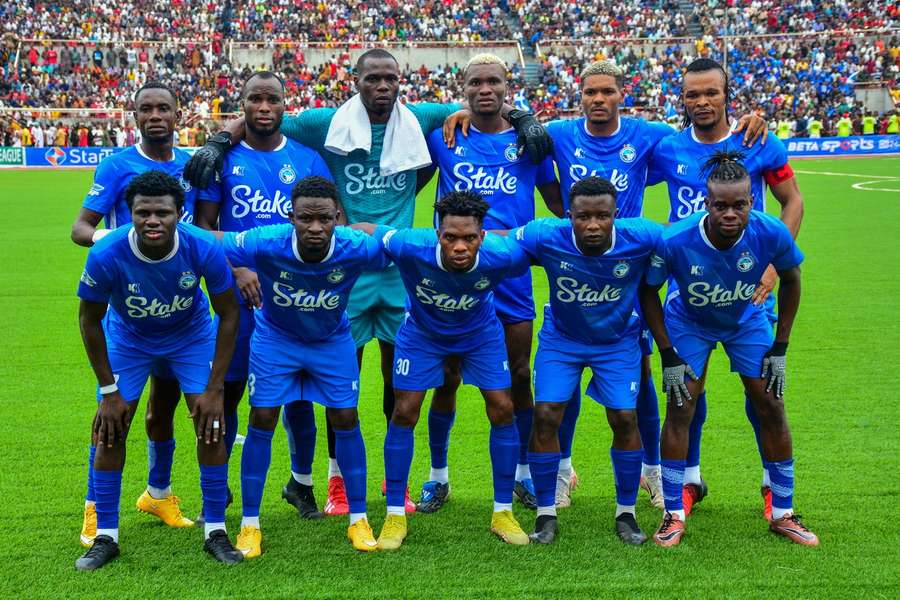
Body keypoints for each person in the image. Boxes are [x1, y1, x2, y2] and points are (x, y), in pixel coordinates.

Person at [185, 48, 552, 516]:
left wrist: (522, 117)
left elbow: (483, 103)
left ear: (401, 82)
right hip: (346, 268)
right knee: (344, 381)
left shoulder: (421, 117)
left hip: (399, 269)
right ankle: (338, 483)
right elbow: (266, 119)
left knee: (401, 386)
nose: (381, 87)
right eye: (371, 79)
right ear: (354, 81)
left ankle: (395, 485)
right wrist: (218, 139)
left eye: (389, 79)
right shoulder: (323, 123)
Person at [543, 59, 767, 509]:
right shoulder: (559, 134)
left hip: (633, 269)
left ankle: (652, 472)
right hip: (578, 265)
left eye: (608, 91)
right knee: (560, 381)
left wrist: (749, 122)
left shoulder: (651, 136)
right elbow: (513, 134)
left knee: (643, 372)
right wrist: (461, 113)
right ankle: (563, 471)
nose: (599, 99)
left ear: (622, 93)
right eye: (591, 92)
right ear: (579, 95)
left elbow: (703, 147)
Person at [649, 58, 804, 520]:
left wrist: (774, 266)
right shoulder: (666, 148)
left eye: (710, 93)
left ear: (727, 94)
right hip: (688, 291)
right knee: (687, 397)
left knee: (763, 395)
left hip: (749, 287)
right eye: (692, 95)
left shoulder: (758, 139)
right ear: (682, 100)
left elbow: (792, 200)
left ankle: (772, 488)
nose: (701, 102)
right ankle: (690, 480)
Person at [639, 150, 818, 547]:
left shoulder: (770, 232)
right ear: (706, 203)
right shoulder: (675, 239)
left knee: (771, 403)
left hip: (746, 319)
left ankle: (784, 513)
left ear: (752, 201)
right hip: (689, 323)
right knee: (682, 407)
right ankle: (673, 514)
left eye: (739, 204)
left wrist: (781, 346)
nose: (730, 214)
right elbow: (648, 290)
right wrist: (666, 352)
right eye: (720, 205)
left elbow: (792, 280)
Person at [415, 54, 563, 513]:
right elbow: (407, 188)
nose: (485, 89)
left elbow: (559, 206)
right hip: (453, 278)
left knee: (519, 375)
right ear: (463, 88)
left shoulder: (528, 142)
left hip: (511, 277)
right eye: (475, 82)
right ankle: (439, 477)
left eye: (493, 81)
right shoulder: (446, 137)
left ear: (507, 86)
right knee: (447, 376)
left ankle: (521, 474)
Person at [74, 171, 241, 570]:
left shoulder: (202, 247)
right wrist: (109, 390)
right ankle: (105, 537)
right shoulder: (106, 253)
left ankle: (215, 530)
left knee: (210, 422)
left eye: (162, 212)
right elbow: (89, 320)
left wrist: (216, 388)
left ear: (179, 214)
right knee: (111, 427)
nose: (153, 220)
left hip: (190, 336)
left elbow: (229, 313)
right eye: (143, 212)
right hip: (129, 339)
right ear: (130, 214)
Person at [353, 191, 532, 550]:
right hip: (422, 335)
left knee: (503, 407)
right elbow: (366, 228)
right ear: (437, 233)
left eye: (469, 238)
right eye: (451, 237)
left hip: (479, 334)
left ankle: (502, 512)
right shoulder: (409, 245)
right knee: (404, 411)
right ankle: (394, 516)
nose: (460, 246)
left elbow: (544, 246)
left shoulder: (503, 256)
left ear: (483, 236)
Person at [221, 176, 389, 556]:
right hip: (275, 340)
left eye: (325, 219)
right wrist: (237, 270)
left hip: (331, 342)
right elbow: (211, 242)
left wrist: (377, 228)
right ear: (290, 216)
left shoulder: (355, 245)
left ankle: (358, 519)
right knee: (261, 419)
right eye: (305, 218)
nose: (316, 228)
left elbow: (409, 249)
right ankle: (250, 524)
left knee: (346, 420)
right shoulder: (266, 241)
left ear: (338, 218)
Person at [195, 71, 333, 523]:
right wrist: (236, 268)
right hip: (238, 296)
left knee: (299, 396)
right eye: (255, 99)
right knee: (229, 391)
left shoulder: (307, 158)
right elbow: (203, 230)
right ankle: (220, 486)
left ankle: (302, 484)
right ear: (243, 104)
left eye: (272, 99)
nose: (264, 108)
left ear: (283, 105)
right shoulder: (224, 160)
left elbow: (330, 222)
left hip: (293, 298)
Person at [71, 82, 202, 547]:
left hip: (181, 313)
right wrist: (110, 243)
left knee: (162, 412)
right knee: (114, 414)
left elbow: (203, 230)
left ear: (177, 114)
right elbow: (81, 226)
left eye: (163, 108)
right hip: (129, 314)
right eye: (146, 108)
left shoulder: (193, 166)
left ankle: (159, 493)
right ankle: (95, 509)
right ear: (134, 114)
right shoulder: (117, 165)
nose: (155, 116)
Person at [512, 176, 663, 545]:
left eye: (602, 216)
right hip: (562, 339)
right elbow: (499, 241)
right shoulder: (545, 234)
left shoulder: (643, 235)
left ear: (617, 214)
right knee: (546, 414)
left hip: (617, 341)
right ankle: (546, 513)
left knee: (625, 417)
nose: (593, 225)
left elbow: (682, 241)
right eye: (582, 217)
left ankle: (625, 512)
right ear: (568, 215)